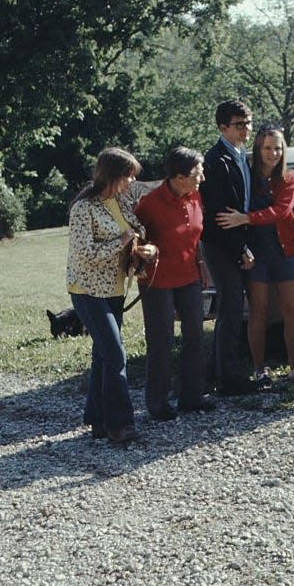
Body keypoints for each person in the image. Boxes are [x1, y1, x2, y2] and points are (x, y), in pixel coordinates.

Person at [66, 147, 156, 444]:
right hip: (88, 291)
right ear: (112, 175)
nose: (132, 181)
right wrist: (122, 241)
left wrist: (144, 247)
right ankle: (121, 425)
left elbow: (138, 229)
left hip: (115, 289)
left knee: (103, 356)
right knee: (115, 354)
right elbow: (87, 255)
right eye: (128, 175)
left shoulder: (118, 203)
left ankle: (97, 420)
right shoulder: (83, 208)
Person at [216, 126, 294, 387]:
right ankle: (259, 368)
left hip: (286, 251)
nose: (273, 153)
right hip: (256, 253)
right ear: (258, 149)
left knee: (291, 309)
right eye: (267, 147)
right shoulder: (247, 174)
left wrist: (246, 218)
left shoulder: (290, 178)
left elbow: (281, 211)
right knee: (259, 311)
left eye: (278, 148)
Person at [134, 147, 215, 419]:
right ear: (178, 176)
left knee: (194, 336)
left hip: (189, 277)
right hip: (157, 280)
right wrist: (146, 250)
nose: (202, 178)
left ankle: (191, 396)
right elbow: (135, 239)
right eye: (197, 173)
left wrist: (200, 267)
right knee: (161, 341)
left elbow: (195, 236)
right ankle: (157, 403)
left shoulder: (195, 197)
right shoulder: (150, 203)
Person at [199, 99, 259, 395]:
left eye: (248, 122)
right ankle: (229, 379)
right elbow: (220, 213)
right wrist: (240, 250)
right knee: (232, 309)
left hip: (238, 240)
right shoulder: (215, 159)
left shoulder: (241, 153)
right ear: (223, 127)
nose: (246, 129)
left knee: (232, 308)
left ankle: (214, 372)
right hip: (221, 243)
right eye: (239, 124)